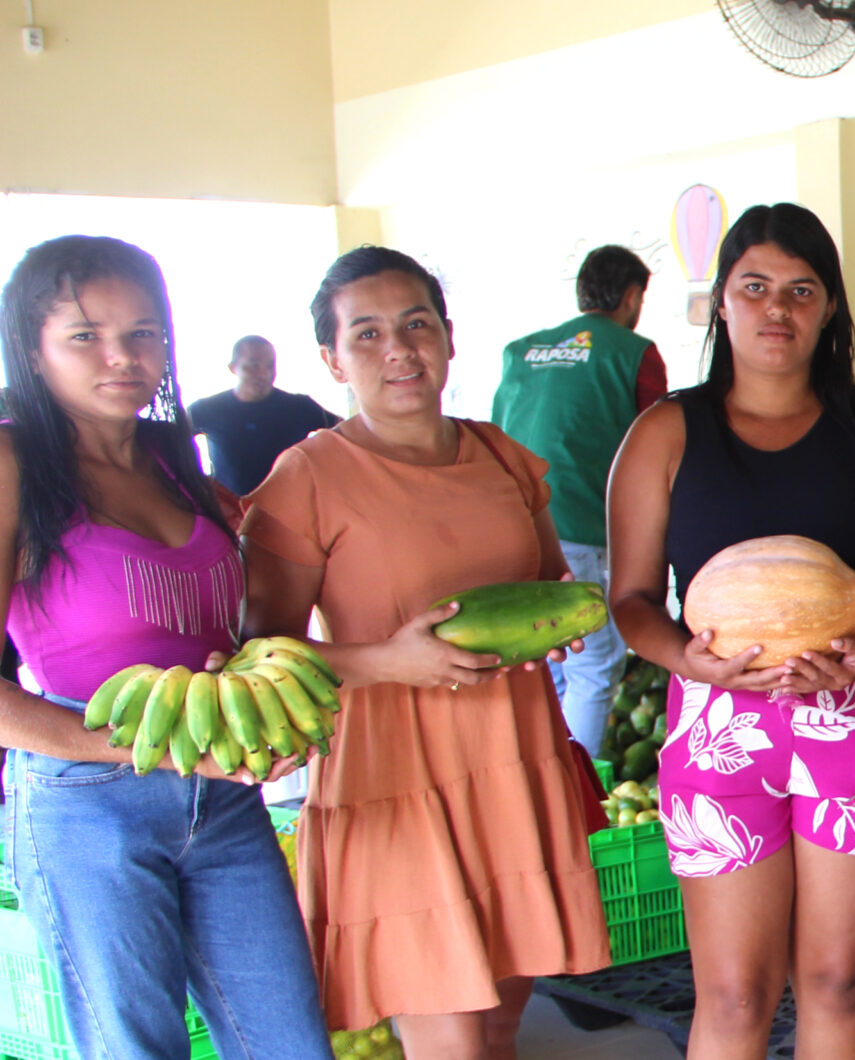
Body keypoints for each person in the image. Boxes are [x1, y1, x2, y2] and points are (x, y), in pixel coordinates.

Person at [240, 246, 611, 1056]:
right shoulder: (308, 476)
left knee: (502, 1024)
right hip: (394, 778)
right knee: (451, 1042)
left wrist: (560, 627)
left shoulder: (500, 456)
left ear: (448, 337)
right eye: (366, 334)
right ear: (331, 358)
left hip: (513, 758)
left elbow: (549, 583)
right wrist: (383, 662)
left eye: (415, 325)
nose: (399, 350)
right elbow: (257, 655)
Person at [604, 203, 855, 1060]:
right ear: (721, 303)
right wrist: (690, 661)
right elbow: (631, 599)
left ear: (829, 308)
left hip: (851, 717)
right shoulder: (664, 434)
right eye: (755, 288)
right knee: (737, 992)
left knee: (835, 980)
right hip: (718, 726)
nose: (776, 310)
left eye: (800, 290)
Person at [0, 236, 332, 1059]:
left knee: (290, 1042)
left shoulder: (172, 457)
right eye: (85, 335)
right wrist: (143, 749)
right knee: (136, 1047)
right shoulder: (13, 462)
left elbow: (234, 621)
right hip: (85, 801)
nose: (123, 356)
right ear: (32, 351)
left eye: (144, 332)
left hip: (221, 796)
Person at [495, 245, 669, 756]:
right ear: (633, 295)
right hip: (587, 527)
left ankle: (541, 777)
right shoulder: (633, 351)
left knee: (547, 664)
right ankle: (578, 795)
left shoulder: (520, 350)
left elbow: (497, 433)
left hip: (517, 528)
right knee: (595, 666)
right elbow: (660, 441)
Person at [189, 333, 340, 496]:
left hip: (292, 511)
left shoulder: (299, 407)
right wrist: (196, 482)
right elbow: (170, 440)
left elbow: (347, 433)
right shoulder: (207, 409)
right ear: (233, 368)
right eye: (254, 365)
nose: (264, 374)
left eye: (270, 366)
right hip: (231, 515)